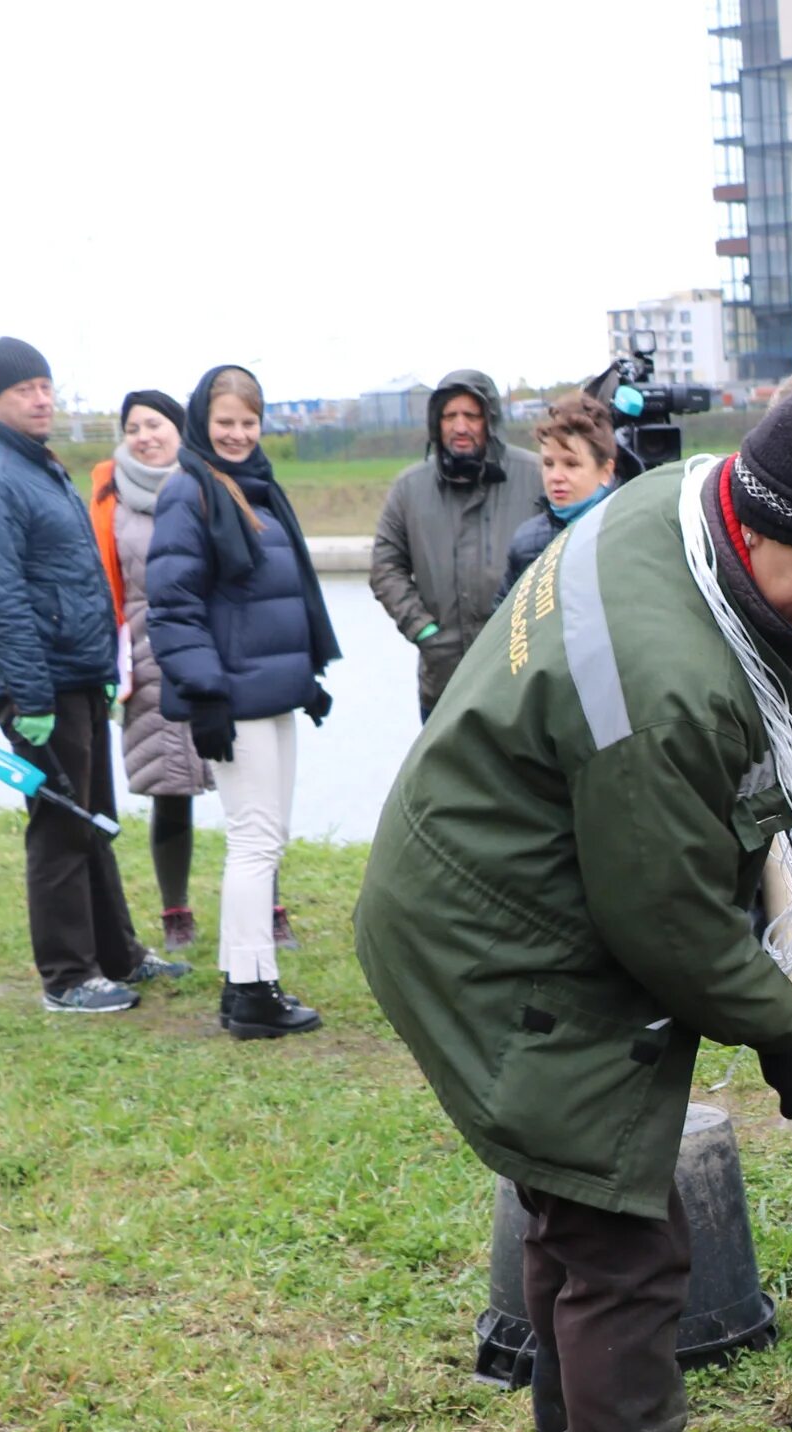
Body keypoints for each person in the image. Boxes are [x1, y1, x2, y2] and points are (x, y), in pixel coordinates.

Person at [355, 383, 792, 1432]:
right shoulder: (666, 679)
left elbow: (678, 851)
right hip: (500, 940)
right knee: (625, 1237)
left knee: (582, 1210)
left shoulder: (686, 509)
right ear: (765, 525)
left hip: (506, 879)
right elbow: (665, 920)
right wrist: (787, 1030)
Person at [0, 335, 178, 1012]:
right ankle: (68, 978)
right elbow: (2, 595)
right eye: (25, 390)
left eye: (46, 386)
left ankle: (119, 956)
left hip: (78, 674)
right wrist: (29, 693)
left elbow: (79, 575)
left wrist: (106, 665)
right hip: (39, 685)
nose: (42, 399)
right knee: (58, 829)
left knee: (94, 819)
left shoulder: (40, 464)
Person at [147, 366, 337, 1040]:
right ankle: (254, 993)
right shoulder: (188, 493)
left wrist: (305, 677)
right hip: (231, 697)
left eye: (248, 422)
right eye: (225, 422)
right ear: (204, 422)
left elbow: (280, 599)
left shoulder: (258, 488)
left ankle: (241, 981)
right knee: (255, 843)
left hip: (268, 693)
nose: (236, 433)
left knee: (264, 839)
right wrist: (204, 696)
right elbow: (172, 608)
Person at [90, 389, 213, 954]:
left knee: (248, 783)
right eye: (134, 426)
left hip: (213, 650)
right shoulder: (108, 499)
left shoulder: (209, 484)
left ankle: (271, 904)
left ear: (179, 430)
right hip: (144, 655)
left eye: (156, 424)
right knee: (169, 790)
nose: (145, 436)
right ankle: (176, 911)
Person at [371, 370, 541, 720]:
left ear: (489, 421)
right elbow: (385, 567)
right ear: (437, 422)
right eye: (450, 416)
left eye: (471, 416)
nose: (460, 427)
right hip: (442, 683)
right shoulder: (409, 489)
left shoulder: (535, 475)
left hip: (520, 681)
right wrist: (424, 630)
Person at [500, 391, 617, 599]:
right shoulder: (527, 541)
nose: (556, 476)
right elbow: (502, 620)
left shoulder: (628, 532)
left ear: (606, 471)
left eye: (571, 464)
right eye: (548, 464)